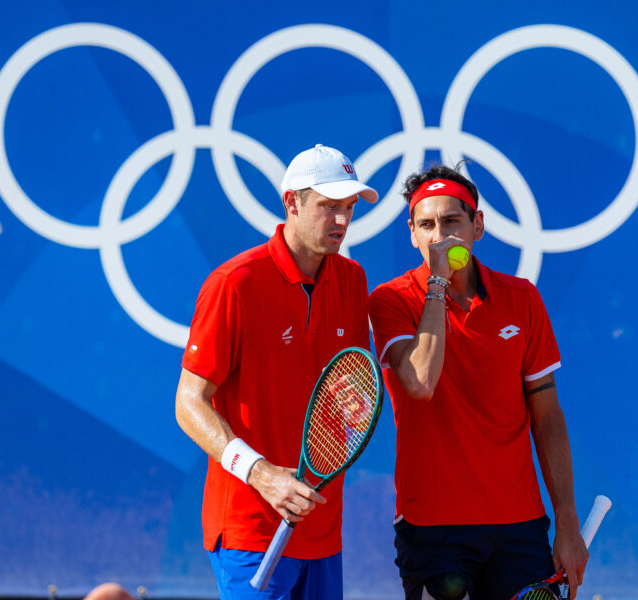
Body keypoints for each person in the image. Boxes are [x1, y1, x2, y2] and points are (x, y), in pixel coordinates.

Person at [368, 165, 589, 600]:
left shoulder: (523, 298)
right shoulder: (390, 300)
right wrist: (437, 282)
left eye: (452, 221)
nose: (441, 237)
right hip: (433, 531)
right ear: (411, 234)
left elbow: (547, 418)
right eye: (427, 225)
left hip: (520, 527)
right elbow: (420, 382)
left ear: (478, 225)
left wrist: (567, 523)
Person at [175, 144, 377, 600]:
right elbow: (188, 403)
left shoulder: (352, 279)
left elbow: (352, 386)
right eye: (329, 207)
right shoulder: (235, 283)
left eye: (348, 208)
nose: (342, 222)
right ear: (292, 202)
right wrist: (262, 473)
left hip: (322, 530)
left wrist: (356, 402)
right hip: (250, 531)